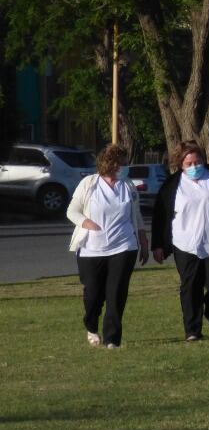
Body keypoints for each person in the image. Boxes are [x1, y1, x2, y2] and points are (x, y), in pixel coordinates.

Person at [150, 140, 209, 341]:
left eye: (197, 161)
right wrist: (158, 244)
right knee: (190, 286)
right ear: (180, 165)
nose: (194, 167)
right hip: (185, 242)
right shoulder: (172, 186)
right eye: (189, 164)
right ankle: (192, 330)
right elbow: (161, 215)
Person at [66, 144, 149, 348]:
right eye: (122, 164)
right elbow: (72, 211)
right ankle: (91, 325)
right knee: (93, 293)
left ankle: (112, 338)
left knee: (116, 293)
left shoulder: (127, 186)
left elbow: (136, 215)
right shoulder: (89, 184)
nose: (125, 167)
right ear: (110, 164)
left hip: (123, 246)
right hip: (91, 249)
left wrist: (143, 240)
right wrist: (86, 223)